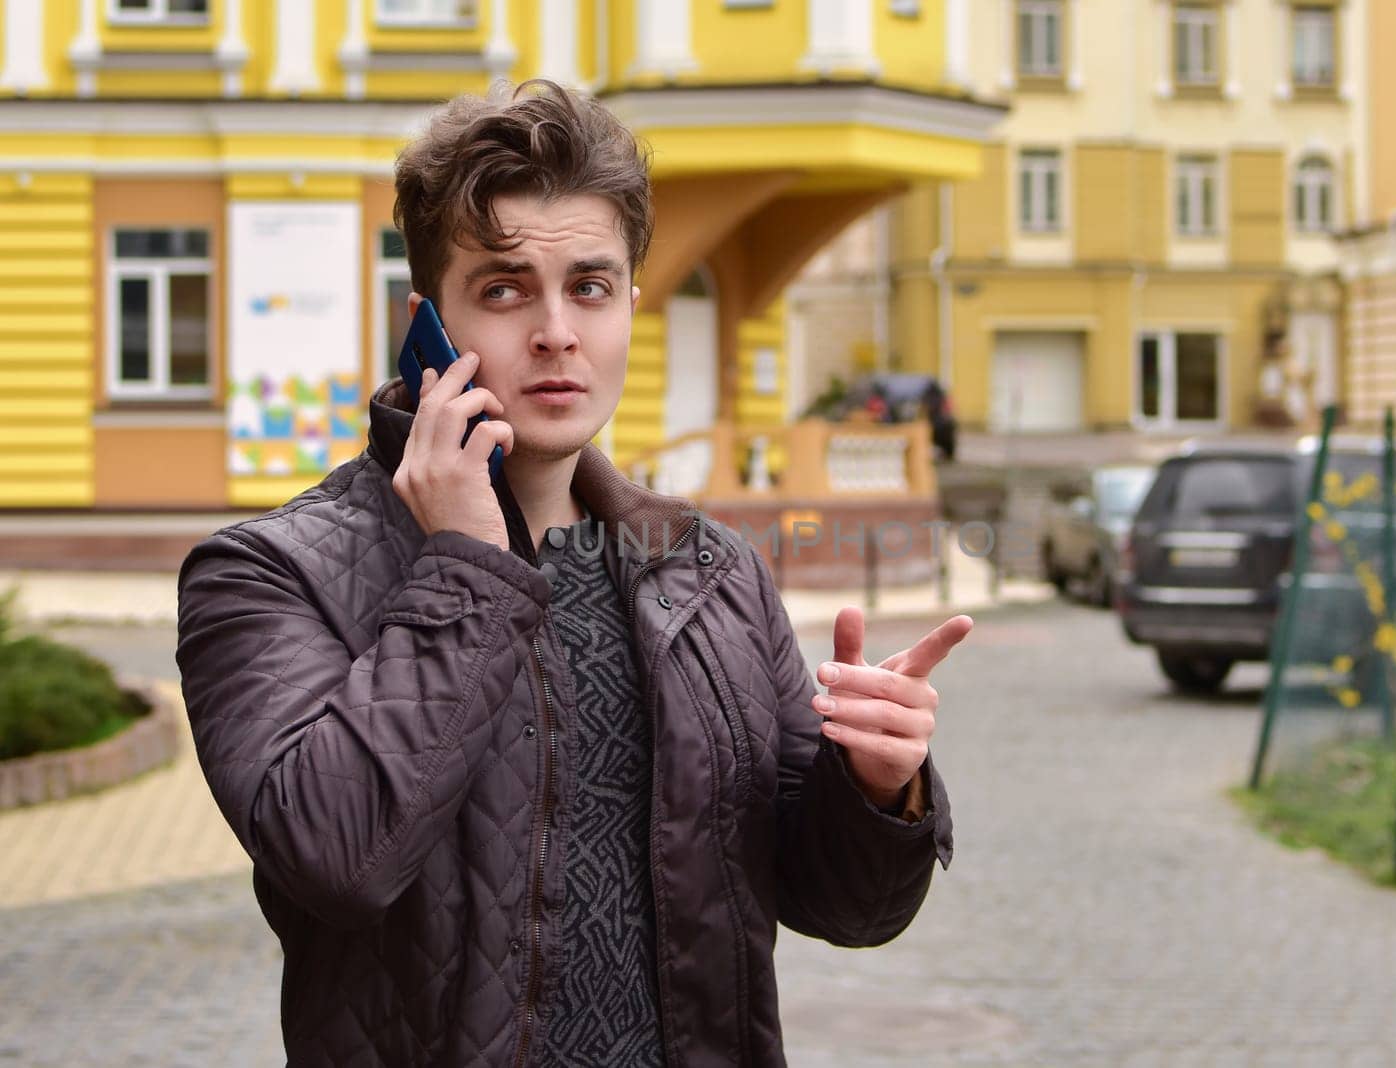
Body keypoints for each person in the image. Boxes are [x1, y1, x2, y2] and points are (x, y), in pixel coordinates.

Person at [176, 79, 971, 1067]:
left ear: (629, 305)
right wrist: (466, 562)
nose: (556, 330)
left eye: (589, 287)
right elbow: (336, 863)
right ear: (425, 323)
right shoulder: (267, 574)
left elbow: (847, 910)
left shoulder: (709, 572)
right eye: (504, 289)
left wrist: (876, 787)